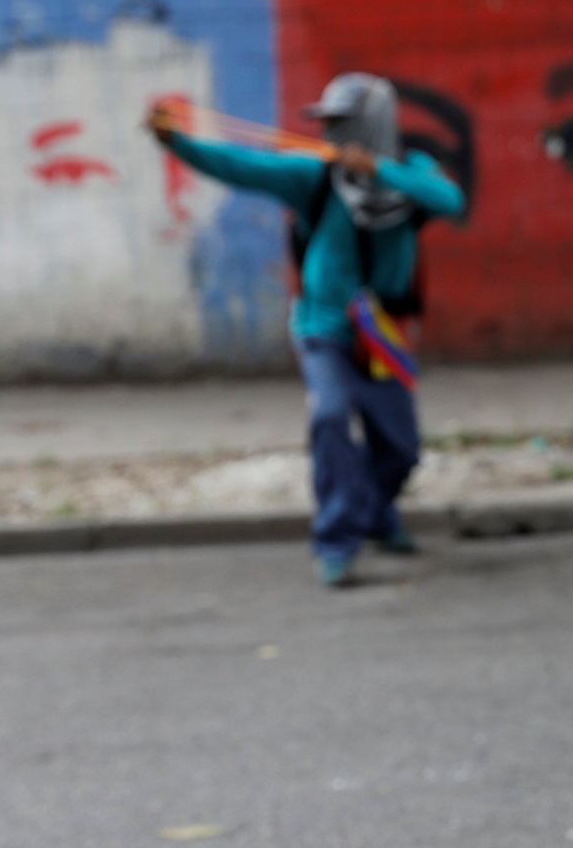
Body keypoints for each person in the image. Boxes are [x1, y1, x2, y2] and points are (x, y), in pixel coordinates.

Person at [147, 74, 465, 588]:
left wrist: (379, 169)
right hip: (323, 325)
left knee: (402, 449)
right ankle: (337, 540)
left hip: (383, 334)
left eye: (344, 125)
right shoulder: (313, 176)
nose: (333, 136)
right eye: (329, 127)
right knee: (332, 414)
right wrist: (175, 140)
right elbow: (240, 165)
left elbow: (450, 201)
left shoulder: (411, 175)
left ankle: (377, 513)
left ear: (374, 125)